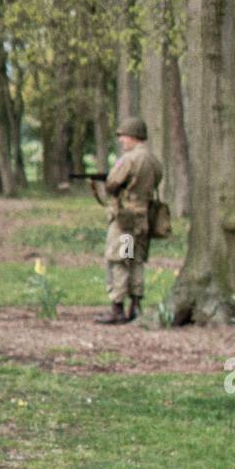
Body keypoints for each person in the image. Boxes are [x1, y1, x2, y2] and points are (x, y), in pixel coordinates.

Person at [93, 116, 163, 325]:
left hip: (125, 220)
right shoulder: (152, 160)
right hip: (142, 218)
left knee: (120, 260)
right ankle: (136, 305)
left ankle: (117, 307)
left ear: (133, 136)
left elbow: (113, 183)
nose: (122, 141)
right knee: (136, 260)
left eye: (124, 137)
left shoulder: (130, 159)